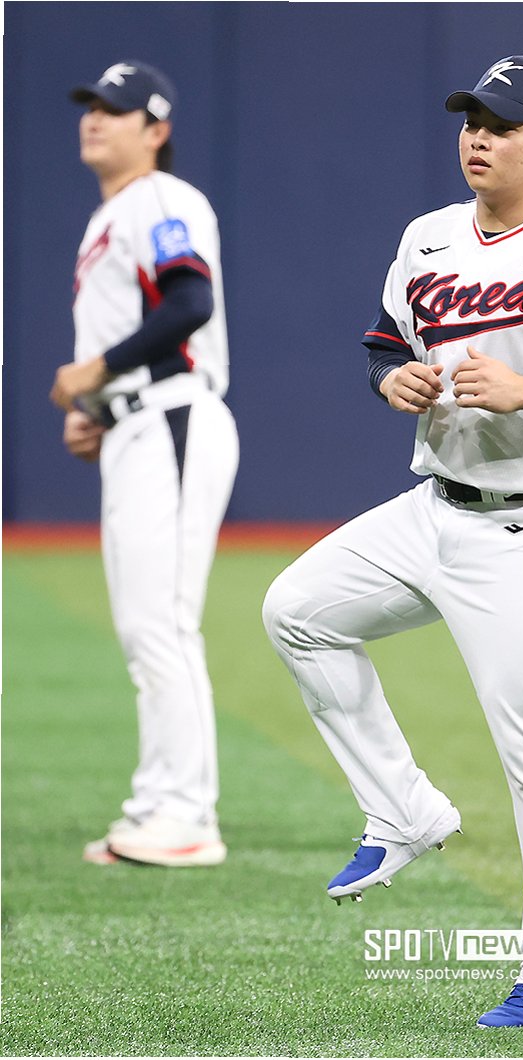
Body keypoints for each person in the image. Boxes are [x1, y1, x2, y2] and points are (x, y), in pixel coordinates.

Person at [263, 55, 523, 1027]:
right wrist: (387, 380)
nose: (477, 138)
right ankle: (402, 807)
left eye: (502, 125)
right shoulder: (428, 235)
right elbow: (383, 339)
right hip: (432, 507)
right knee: (297, 612)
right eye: (470, 121)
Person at [50, 61, 239, 868]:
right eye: (91, 105)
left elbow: (189, 302)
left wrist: (97, 373)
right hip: (136, 424)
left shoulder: (162, 198)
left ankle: (186, 816)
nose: (95, 118)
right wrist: (98, 409)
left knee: (160, 621)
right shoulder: (114, 214)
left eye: (116, 109)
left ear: (156, 130)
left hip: (172, 417)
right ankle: (159, 805)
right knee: (144, 624)